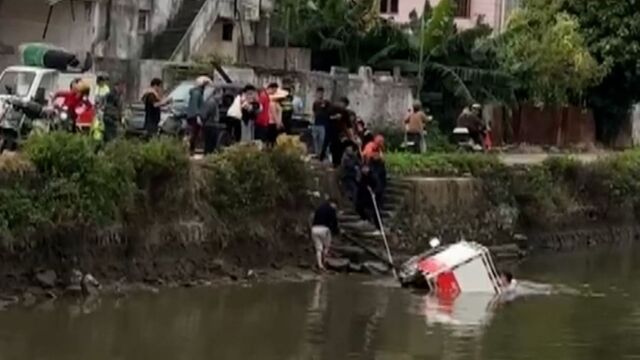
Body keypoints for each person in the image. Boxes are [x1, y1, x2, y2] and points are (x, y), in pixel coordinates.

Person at [311, 199, 339, 271]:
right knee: (326, 246)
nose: (336, 207)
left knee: (318, 248)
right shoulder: (331, 209)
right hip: (324, 229)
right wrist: (336, 231)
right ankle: (325, 262)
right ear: (333, 204)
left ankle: (320, 265)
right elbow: (334, 222)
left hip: (314, 229)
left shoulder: (319, 208)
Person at [186, 76, 212, 154]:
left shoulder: (198, 92)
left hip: (194, 116)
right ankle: (191, 149)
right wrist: (198, 116)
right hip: (195, 117)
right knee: (194, 133)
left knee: (195, 133)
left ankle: (192, 149)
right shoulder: (197, 93)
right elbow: (195, 105)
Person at [327, 97, 355, 168]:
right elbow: (327, 118)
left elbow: (349, 125)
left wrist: (352, 136)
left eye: (345, 106)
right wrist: (335, 117)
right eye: (343, 105)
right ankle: (333, 163)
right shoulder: (332, 109)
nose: (343, 107)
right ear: (340, 103)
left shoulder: (345, 112)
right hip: (331, 131)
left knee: (340, 148)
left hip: (340, 133)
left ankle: (338, 163)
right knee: (333, 148)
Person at [313, 87, 331, 158]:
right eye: (318, 93)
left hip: (323, 124)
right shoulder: (315, 103)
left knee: (322, 140)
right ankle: (317, 154)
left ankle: (324, 154)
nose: (320, 95)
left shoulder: (326, 102)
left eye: (321, 93)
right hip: (316, 123)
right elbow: (314, 112)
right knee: (315, 139)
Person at [201, 86, 220, 155]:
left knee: (211, 144)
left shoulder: (214, 102)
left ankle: (208, 156)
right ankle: (207, 156)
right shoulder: (211, 102)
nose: (220, 97)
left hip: (211, 125)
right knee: (209, 144)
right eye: (219, 94)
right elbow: (205, 115)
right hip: (210, 125)